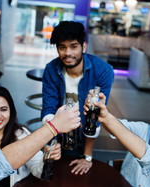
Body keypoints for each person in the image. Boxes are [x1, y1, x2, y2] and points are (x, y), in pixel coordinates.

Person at [41, 21, 114, 175]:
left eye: (73, 46)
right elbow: (48, 109)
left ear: (84, 47)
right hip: (56, 132)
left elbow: (95, 116)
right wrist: (51, 143)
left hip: (84, 135)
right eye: (62, 47)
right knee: (50, 177)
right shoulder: (51, 70)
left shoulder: (103, 71)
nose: (68, 53)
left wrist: (87, 157)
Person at [0, 87, 61, 187]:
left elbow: (39, 170)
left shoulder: (20, 134)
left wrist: (47, 158)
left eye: (3, 109)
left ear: (11, 110)